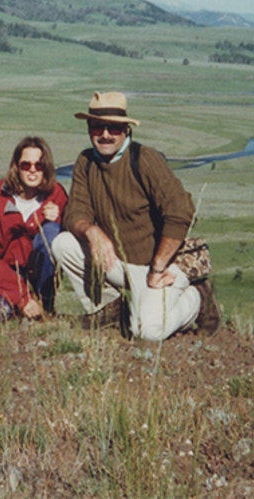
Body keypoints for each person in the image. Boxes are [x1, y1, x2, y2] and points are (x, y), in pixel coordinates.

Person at [54, 92, 220, 341]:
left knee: (147, 332)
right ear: (89, 128)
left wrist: (159, 266)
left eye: (114, 127)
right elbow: (75, 212)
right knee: (62, 244)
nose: (106, 134)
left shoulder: (144, 159)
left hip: (158, 267)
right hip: (119, 264)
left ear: (126, 129)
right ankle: (109, 308)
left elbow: (180, 212)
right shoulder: (86, 162)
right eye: (98, 126)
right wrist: (91, 230)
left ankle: (196, 300)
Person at [0, 136, 68, 329]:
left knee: (53, 232)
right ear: (16, 167)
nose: (33, 170)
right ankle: (16, 304)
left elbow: (71, 239)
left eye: (39, 164)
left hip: (34, 274)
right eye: (26, 164)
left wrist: (60, 218)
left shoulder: (56, 194)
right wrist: (21, 297)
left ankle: (44, 303)